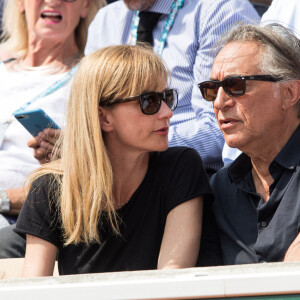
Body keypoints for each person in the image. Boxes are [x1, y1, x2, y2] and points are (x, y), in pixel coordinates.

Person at [15, 44, 210, 276]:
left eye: (167, 97)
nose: (167, 112)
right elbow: (33, 291)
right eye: (149, 101)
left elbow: (172, 280)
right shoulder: (50, 187)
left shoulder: (180, 167)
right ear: (103, 117)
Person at [84, 0, 260, 175]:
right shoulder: (105, 20)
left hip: (194, 174)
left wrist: (133, 146)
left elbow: (222, 126)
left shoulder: (220, 9)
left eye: (167, 98)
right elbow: (88, 113)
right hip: (110, 168)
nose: (167, 112)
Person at [0, 0, 105, 258]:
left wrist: (3, 199)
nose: (55, 1)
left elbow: (98, 173)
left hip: (33, 218)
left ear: (85, 8)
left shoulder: (91, 77)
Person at [198, 23, 300, 264]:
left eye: (236, 86)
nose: (219, 102)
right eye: (211, 89)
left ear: (289, 93)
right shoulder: (221, 188)